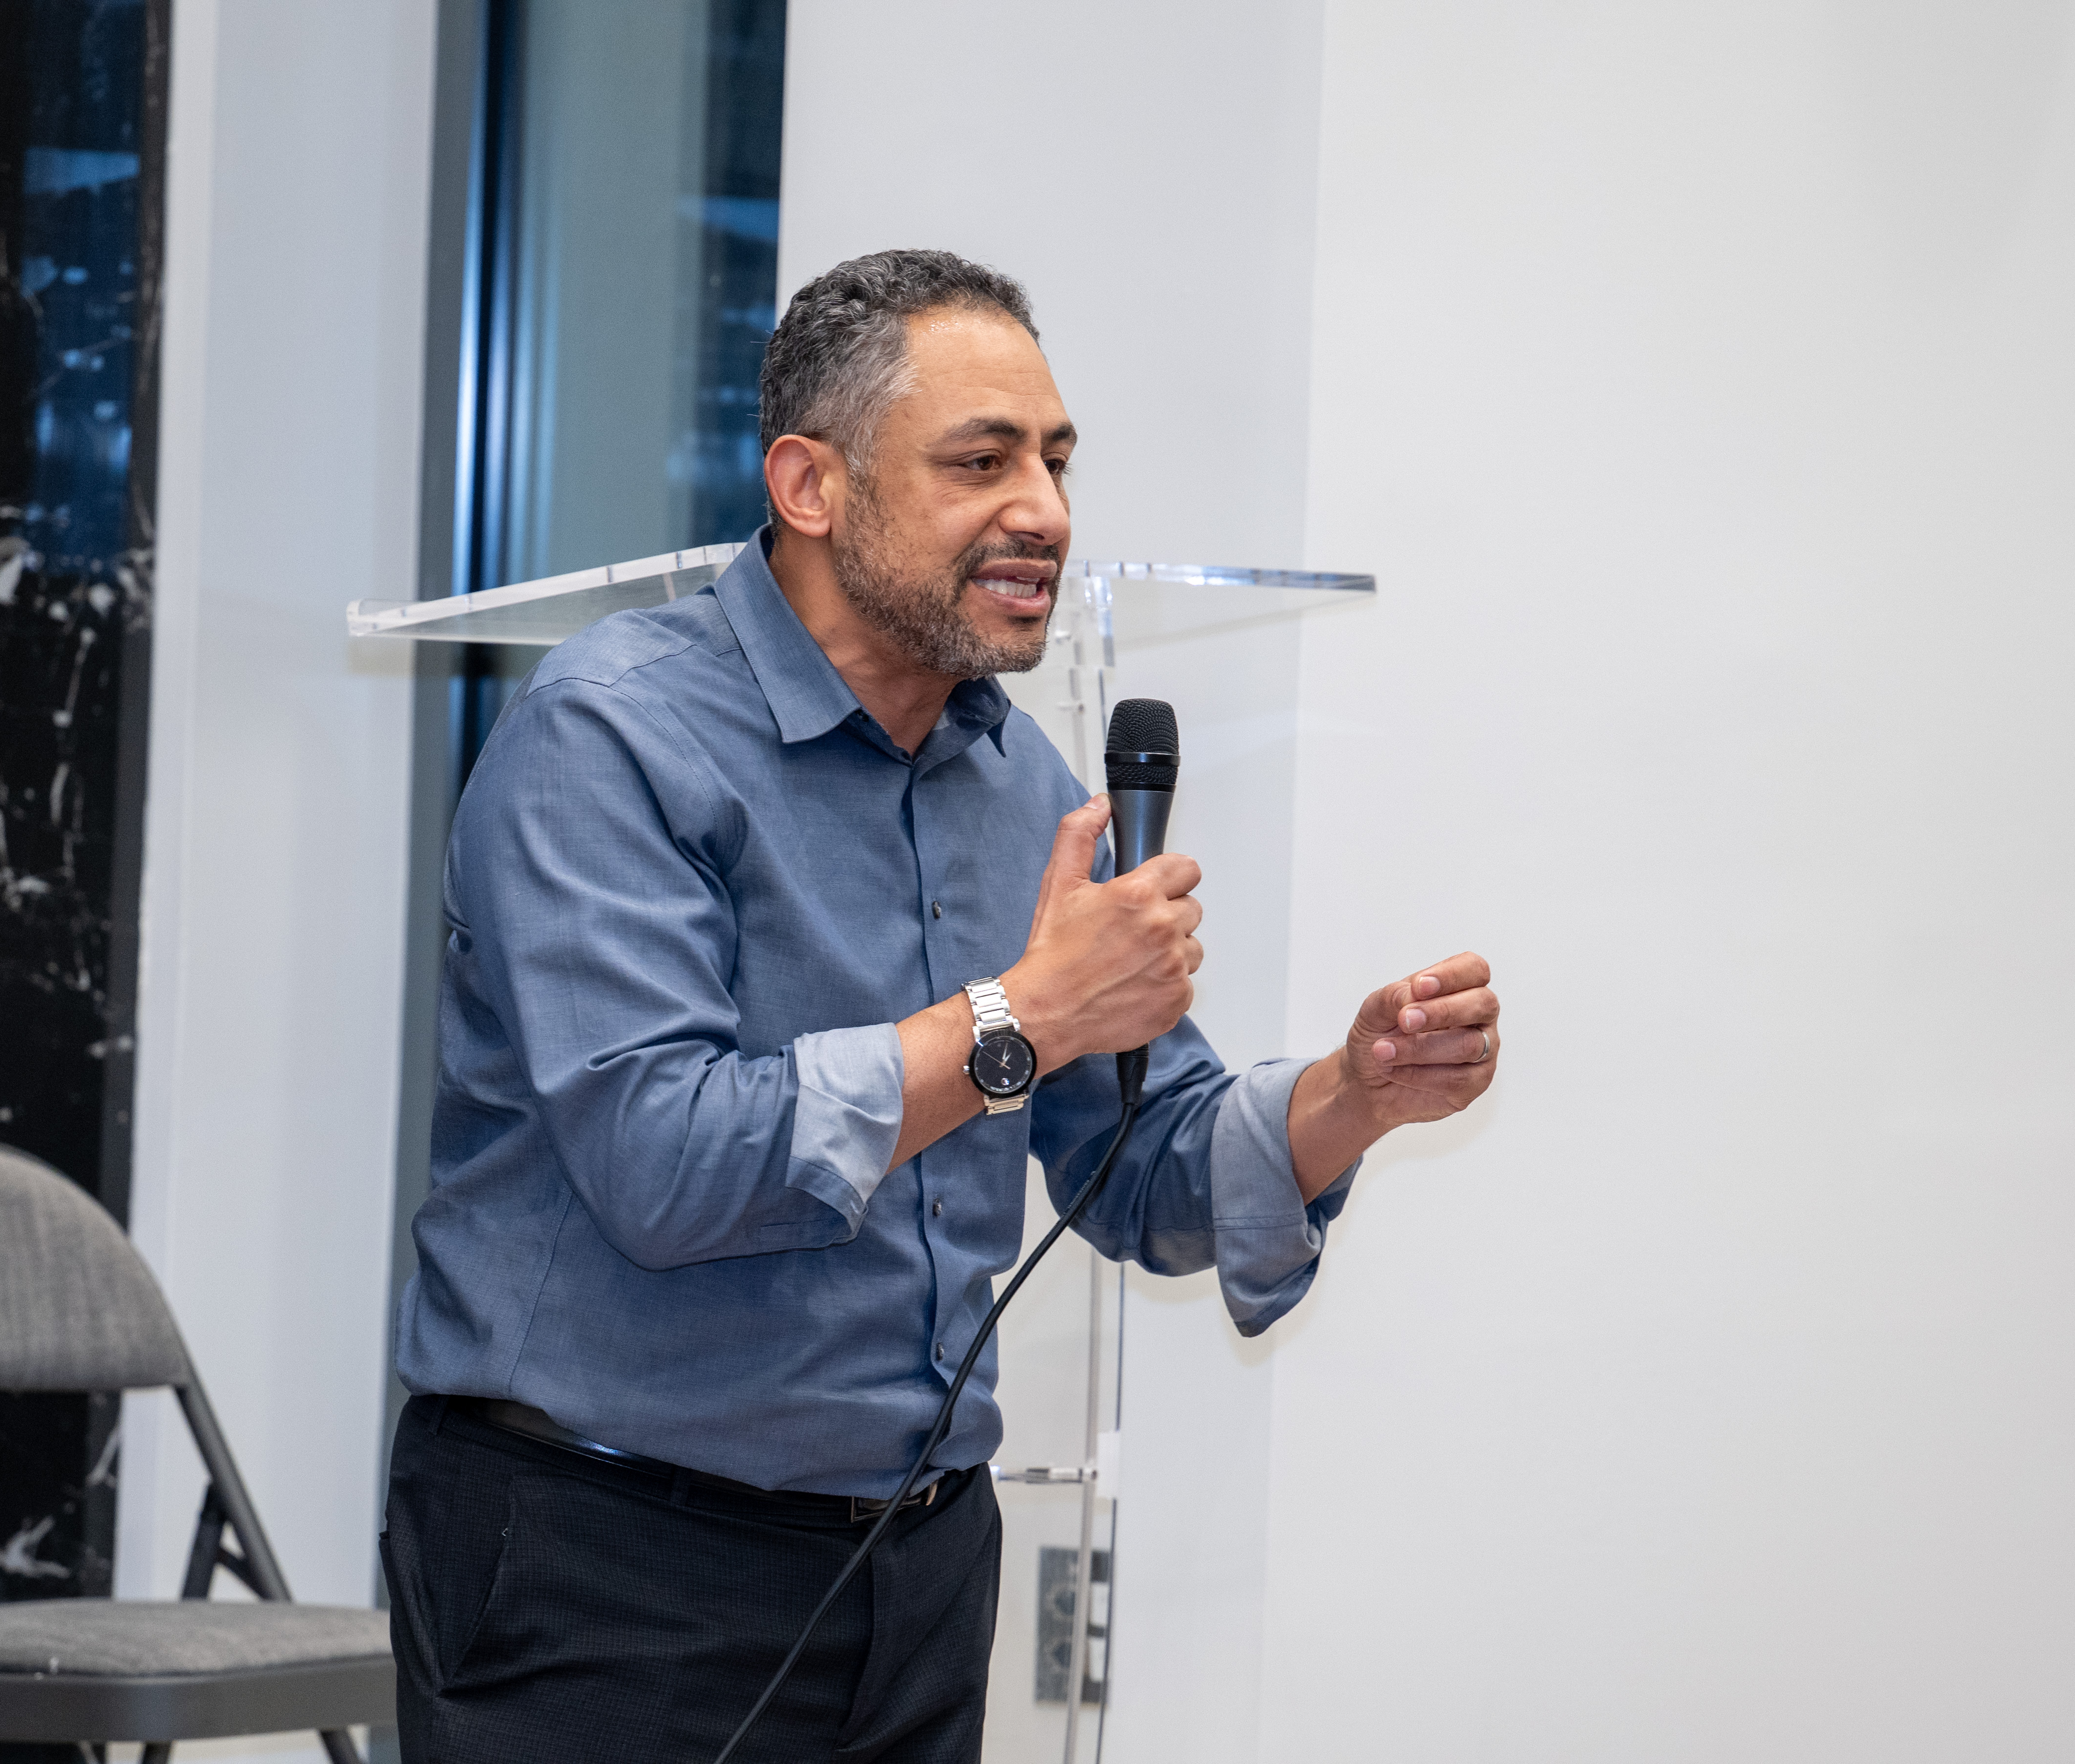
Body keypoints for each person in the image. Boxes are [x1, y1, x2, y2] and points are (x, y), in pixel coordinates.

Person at [382, 248, 1500, 1762]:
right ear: (811, 486)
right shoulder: (610, 736)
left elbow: (1146, 1160)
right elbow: (665, 1158)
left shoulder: (1016, 784)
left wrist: (1350, 1098)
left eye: (1055, 459)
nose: (1042, 508)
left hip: (914, 1575)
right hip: (606, 1569)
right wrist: (1018, 1020)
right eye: (982, 462)